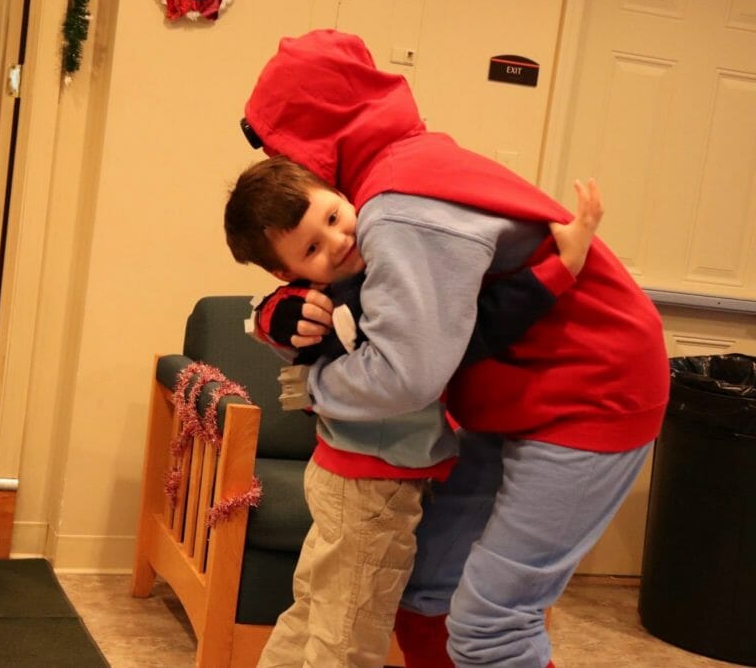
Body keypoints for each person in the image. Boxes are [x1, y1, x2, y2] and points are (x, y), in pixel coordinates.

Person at [237, 29, 669, 668]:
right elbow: (380, 314)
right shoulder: (398, 177)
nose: (330, 236)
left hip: (590, 395)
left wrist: (315, 389)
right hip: (524, 397)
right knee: (427, 593)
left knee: (490, 625)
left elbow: (406, 373)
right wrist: (280, 318)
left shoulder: (397, 208)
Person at [224, 156, 604, 667]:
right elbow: (481, 329)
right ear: (287, 270)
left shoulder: (377, 269)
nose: (337, 242)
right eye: (313, 247)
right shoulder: (338, 296)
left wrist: (557, 269)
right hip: (370, 489)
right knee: (348, 639)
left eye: (334, 218)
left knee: (317, 615)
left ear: (344, 196)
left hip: (351, 479)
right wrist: (281, 312)